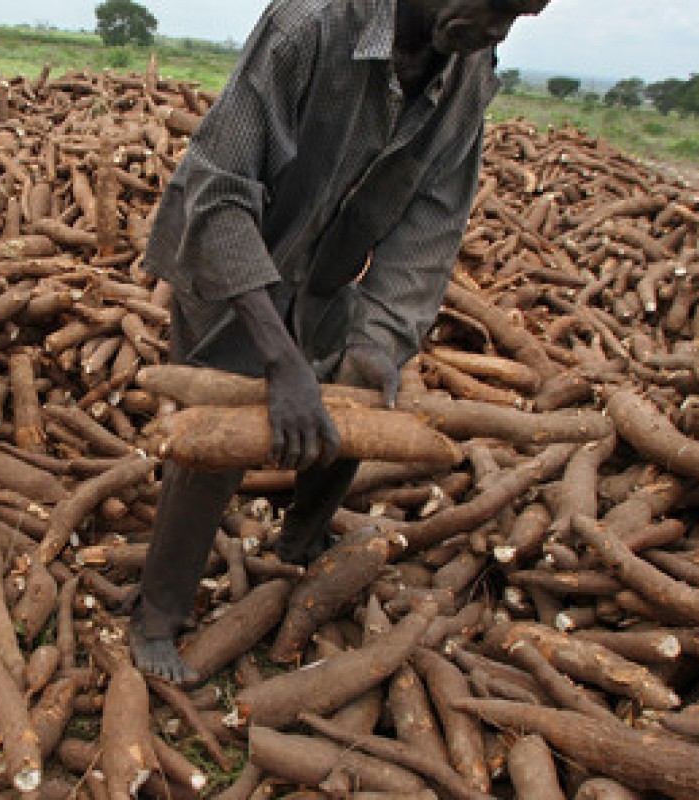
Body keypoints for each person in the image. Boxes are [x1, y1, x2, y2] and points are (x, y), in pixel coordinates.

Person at [128, 0, 551, 683]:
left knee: (357, 393)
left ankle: (301, 540)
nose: (499, 30)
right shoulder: (314, 23)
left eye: (520, 15)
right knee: (215, 450)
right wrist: (278, 356)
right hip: (235, 257)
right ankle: (156, 613)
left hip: (329, 270)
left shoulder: (469, 68)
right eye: (494, 4)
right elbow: (218, 187)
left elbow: (433, 221)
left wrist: (383, 338)